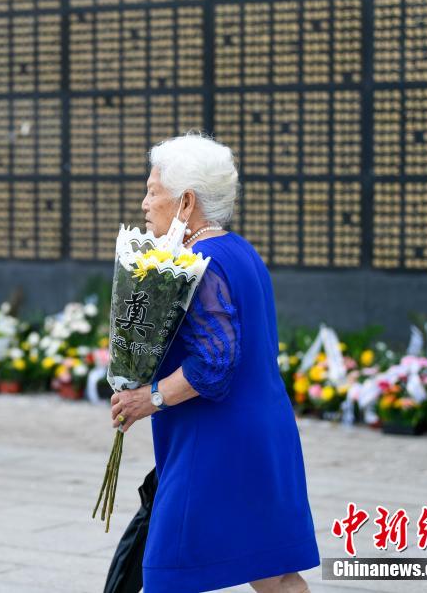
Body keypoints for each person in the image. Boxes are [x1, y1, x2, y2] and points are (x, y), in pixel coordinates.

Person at [110, 133, 319, 593]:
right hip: (264, 431)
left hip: (213, 443)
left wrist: (150, 397)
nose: (145, 204)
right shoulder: (240, 250)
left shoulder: (200, 261)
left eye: (152, 191)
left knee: (167, 576)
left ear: (186, 201)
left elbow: (215, 362)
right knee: (275, 574)